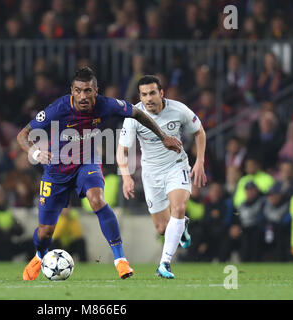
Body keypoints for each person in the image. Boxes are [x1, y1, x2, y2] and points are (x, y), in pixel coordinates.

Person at [17, 67, 182, 281]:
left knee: (97, 200)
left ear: (96, 91)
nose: (83, 96)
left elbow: (138, 113)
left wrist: (163, 137)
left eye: (87, 90)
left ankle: (120, 260)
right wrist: (35, 151)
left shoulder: (106, 104)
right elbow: (23, 135)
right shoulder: (58, 108)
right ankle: (39, 256)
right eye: (78, 91)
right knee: (45, 232)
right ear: (72, 91)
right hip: (56, 170)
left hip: (87, 162)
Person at [116, 75, 207, 278]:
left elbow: (199, 132)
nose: (148, 98)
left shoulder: (179, 110)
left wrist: (199, 161)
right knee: (161, 228)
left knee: (179, 207)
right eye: (144, 94)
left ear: (161, 93)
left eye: (152, 93)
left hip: (176, 166)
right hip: (151, 173)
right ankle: (181, 226)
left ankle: (164, 264)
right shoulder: (134, 116)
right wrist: (126, 177)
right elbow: (121, 151)